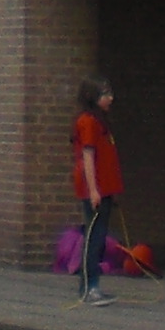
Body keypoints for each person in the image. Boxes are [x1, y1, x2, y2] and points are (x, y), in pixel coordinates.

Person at [71, 80, 122, 306]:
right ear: (93, 97)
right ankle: (89, 288)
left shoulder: (100, 122)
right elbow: (88, 157)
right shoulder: (88, 122)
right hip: (96, 190)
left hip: (105, 188)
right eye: (105, 94)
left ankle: (91, 287)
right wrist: (93, 190)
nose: (110, 98)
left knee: (98, 237)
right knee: (95, 238)